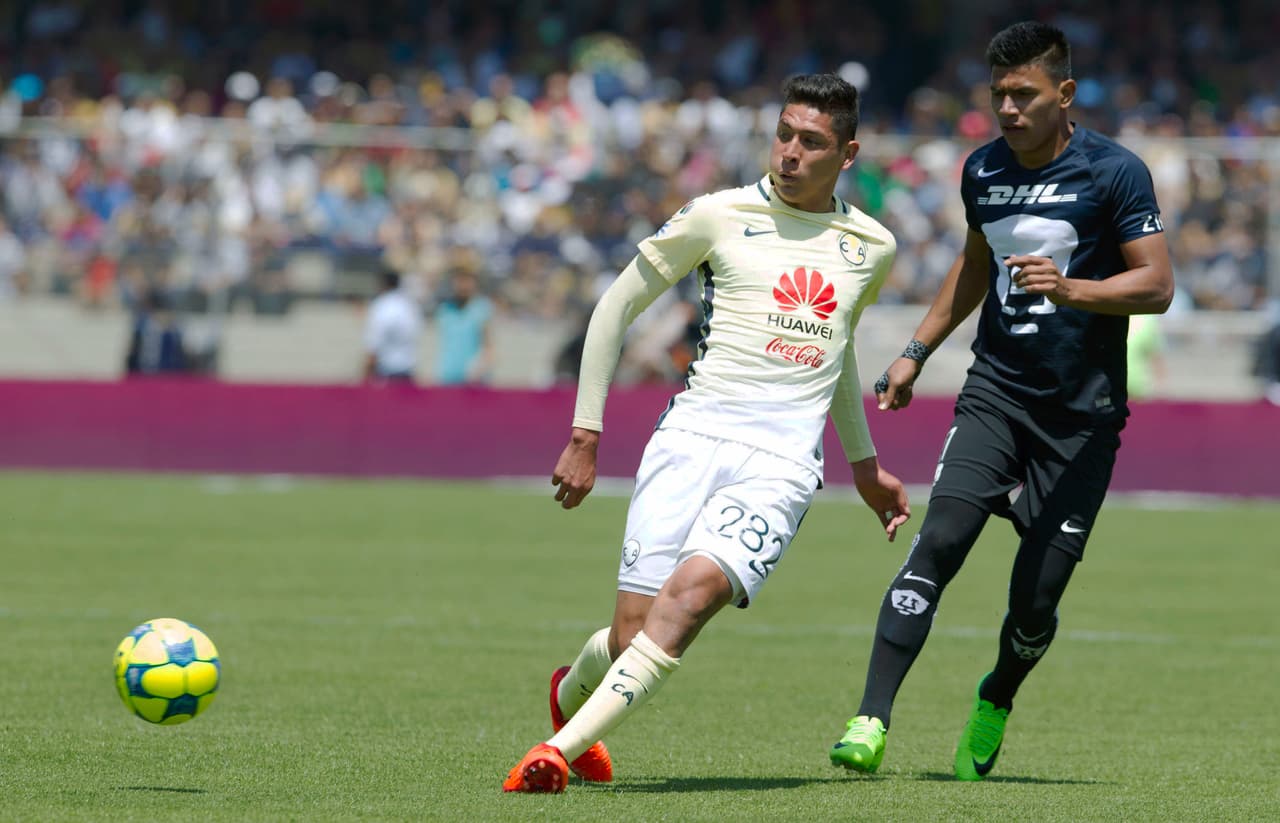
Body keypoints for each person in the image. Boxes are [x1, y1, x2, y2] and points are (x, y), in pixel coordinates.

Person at [502, 73, 911, 794]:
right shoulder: (717, 214)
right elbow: (616, 306)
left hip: (781, 462)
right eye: (783, 134)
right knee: (632, 635)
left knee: (690, 600)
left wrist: (864, 464)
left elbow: (837, 349)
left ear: (848, 153)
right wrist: (585, 432)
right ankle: (571, 693)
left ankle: (555, 752)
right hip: (691, 436)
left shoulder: (871, 246)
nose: (790, 152)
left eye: (811, 142)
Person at [827, 21, 1174, 780]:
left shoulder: (1116, 172)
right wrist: (916, 351)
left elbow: (1157, 284)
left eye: (1025, 94)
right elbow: (975, 264)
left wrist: (1073, 289)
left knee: (1035, 602)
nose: (1009, 109)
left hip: (1082, 419)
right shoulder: (982, 169)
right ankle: (870, 718)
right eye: (999, 95)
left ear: (1065, 93)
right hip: (996, 393)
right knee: (939, 541)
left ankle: (997, 695)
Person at [362, 266, 422, 383]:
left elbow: (374, 344)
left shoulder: (381, 306)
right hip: (407, 370)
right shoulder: (409, 305)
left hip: (386, 372)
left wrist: (365, 374)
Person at [433, 269, 493, 385]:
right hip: (447, 377)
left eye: (467, 280)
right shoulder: (445, 309)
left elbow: (489, 347)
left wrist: (480, 367)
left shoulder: (482, 308)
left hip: (473, 380)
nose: (463, 285)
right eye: (459, 280)